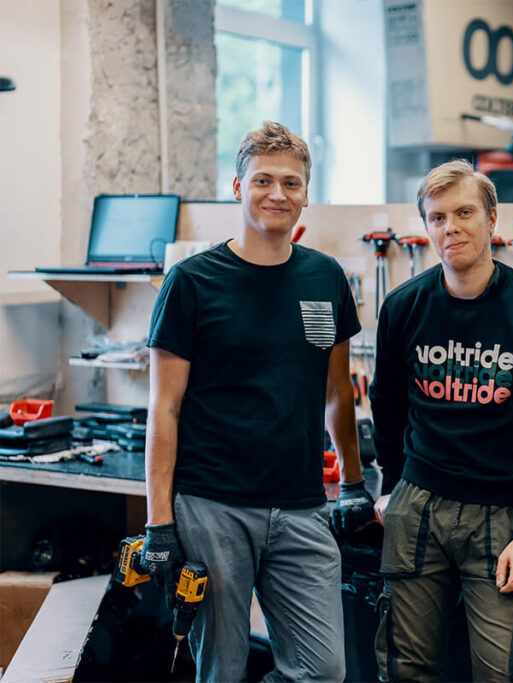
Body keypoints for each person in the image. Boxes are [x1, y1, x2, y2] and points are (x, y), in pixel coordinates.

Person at [143, 121, 371, 681]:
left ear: (306, 194)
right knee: (221, 669)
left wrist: (354, 483)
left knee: (322, 671)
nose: (278, 194)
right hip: (211, 507)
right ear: (238, 186)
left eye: (291, 183)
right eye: (263, 179)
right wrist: (158, 523)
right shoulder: (192, 283)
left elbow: (338, 390)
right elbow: (164, 409)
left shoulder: (325, 277)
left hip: (300, 506)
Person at [369, 160, 513, 681]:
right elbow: (387, 406)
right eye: (438, 217)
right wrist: (393, 487)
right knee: (404, 669)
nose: (451, 228)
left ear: (492, 220)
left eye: (464, 213)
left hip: (503, 516)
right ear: (426, 227)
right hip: (418, 507)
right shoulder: (402, 309)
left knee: (502, 673)